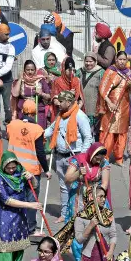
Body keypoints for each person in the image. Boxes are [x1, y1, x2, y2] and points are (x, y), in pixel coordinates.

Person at [0, 152, 41, 261]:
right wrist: (30, 205)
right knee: (4, 245)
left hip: (19, 215)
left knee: (17, 244)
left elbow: (34, 186)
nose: (12, 170)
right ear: (3, 166)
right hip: (4, 214)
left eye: (13, 167)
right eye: (9, 168)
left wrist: (32, 178)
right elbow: (6, 199)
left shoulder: (21, 174)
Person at [44, 90, 93, 223]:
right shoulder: (61, 115)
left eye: (61, 101)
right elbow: (51, 130)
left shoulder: (80, 116)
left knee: (76, 187)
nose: (58, 103)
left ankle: (77, 214)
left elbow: (88, 137)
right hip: (60, 156)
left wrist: (82, 156)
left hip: (75, 157)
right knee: (63, 187)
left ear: (69, 102)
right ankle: (64, 214)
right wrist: (36, 135)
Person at [61, 142, 111, 261]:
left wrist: (98, 196)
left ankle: (98, 257)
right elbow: (67, 179)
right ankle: (80, 259)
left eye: (101, 158)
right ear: (91, 154)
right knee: (79, 227)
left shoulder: (104, 163)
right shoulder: (78, 161)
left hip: (96, 195)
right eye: (96, 158)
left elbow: (104, 183)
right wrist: (79, 173)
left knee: (100, 226)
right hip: (79, 197)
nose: (98, 161)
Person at [7, 100, 49, 237]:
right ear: (34, 113)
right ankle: (30, 229)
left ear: (23, 111)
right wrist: (47, 169)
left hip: (13, 169)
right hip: (31, 171)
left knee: (16, 198)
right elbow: (40, 152)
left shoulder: (12, 125)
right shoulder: (37, 129)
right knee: (31, 200)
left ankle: (15, 225)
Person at [96, 51, 131, 164]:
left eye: (124, 59)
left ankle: (119, 157)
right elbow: (102, 89)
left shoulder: (130, 73)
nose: (122, 62)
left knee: (122, 132)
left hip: (124, 107)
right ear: (116, 60)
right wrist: (109, 102)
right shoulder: (110, 71)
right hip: (111, 107)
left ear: (127, 61)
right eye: (120, 59)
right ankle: (105, 156)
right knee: (109, 131)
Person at [11, 60, 52, 129]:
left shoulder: (41, 80)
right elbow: (15, 94)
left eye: (32, 70)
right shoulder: (19, 81)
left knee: (37, 133)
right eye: (28, 70)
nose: (30, 72)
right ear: (24, 70)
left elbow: (49, 96)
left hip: (38, 112)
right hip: (23, 113)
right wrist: (20, 79)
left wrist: (41, 93)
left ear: (35, 70)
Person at [77, 52, 104, 140]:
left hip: (94, 107)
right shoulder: (80, 71)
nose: (88, 63)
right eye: (86, 61)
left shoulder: (101, 72)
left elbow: (104, 90)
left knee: (93, 132)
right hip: (81, 107)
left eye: (91, 61)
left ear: (95, 61)